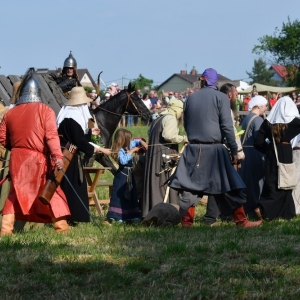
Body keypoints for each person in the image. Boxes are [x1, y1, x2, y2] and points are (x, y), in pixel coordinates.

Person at [169, 68, 262, 228]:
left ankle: (187, 222)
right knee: (230, 184)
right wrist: (234, 150)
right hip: (215, 150)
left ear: (203, 80)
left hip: (194, 149)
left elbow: (186, 124)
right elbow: (227, 127)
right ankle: (241, 221)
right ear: (215, 82)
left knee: (190, 187)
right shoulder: (221, 97)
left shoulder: (190, 98)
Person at [0, 68, 71, 235]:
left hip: (17, 158)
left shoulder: (10, 113)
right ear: (38, 92)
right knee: (50, 190)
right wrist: (58, 157)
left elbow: (2, 138)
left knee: (15, 192)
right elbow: (52, 137)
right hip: (37, 159)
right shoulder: (45, 111)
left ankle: (6, 229)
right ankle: (61, 228)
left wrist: (16, 148)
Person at [56, 86, 111, 225]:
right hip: (69, 156)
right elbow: (79, 140)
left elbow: (76, 136)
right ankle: (71, 217)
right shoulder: (73, 117)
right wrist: (98, 149)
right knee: (72, 187)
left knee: (64, 186)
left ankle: (63, 215)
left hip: (62, 153)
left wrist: (90, 134)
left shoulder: (64, 113)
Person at [202, 83, 245, 226]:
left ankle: (220, 215)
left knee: (220, 184)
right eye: (236, 95)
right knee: (228, 183)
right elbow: (230, 130)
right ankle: (218, 217)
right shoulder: (225, 107)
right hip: (223, 149)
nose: (237, 99)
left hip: (215, 148)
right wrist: (237, 151)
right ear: (230, 95)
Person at [254, 96, 300, 221]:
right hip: (285, 152)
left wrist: (267, 150)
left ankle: (283, 213)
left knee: (272, 183)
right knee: (286, 181)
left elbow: (258, 142)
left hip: (272, 153)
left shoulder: (268, 122)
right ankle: (263, 208)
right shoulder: (295, 123)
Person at [141, 100, 188, 218]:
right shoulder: (170, 118)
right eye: (181, 111)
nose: (181, 114)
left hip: (154, 157)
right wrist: (184, 138)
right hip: (163, 157)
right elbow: (168, 136)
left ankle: (150, 213)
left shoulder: (158, 118)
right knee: (163, 183)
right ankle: (163, 214)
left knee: (155, 183)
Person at [106, 129, 148, 223]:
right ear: (123, 140)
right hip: (122, 177)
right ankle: (117, 216)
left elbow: (135, 142)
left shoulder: (126, 146)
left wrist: (141, 142)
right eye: (128, 139)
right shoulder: (120, 150)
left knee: (131, 195)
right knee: (120, 196)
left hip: (129, 176)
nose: (130, 141)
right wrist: (132, 151)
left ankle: (131, 216)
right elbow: (123, 161)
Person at [238, 95, 268, 215]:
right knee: (256, 182)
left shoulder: (247, 117)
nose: (265, 108)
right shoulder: (258, 120)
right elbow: (260, 139)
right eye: (265, 105)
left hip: (246, 151)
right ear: (259, 106)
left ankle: (245, 208)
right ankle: (254, 209)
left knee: (247, 182)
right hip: (255, 152)